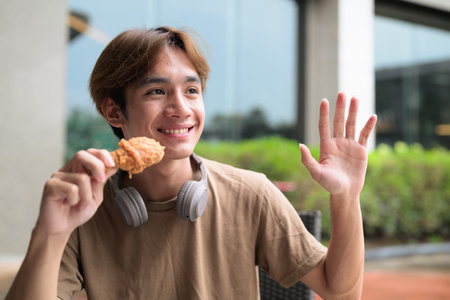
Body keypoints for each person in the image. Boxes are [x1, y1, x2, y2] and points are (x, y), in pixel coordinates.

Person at [6, 26, 377, 299]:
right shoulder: (85, 205)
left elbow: (340, 290)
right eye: (156, 91)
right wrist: (49, 233)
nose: (181, 108)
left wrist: (346, 199)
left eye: (192, 90)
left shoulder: (252, 193)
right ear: (113, 110)